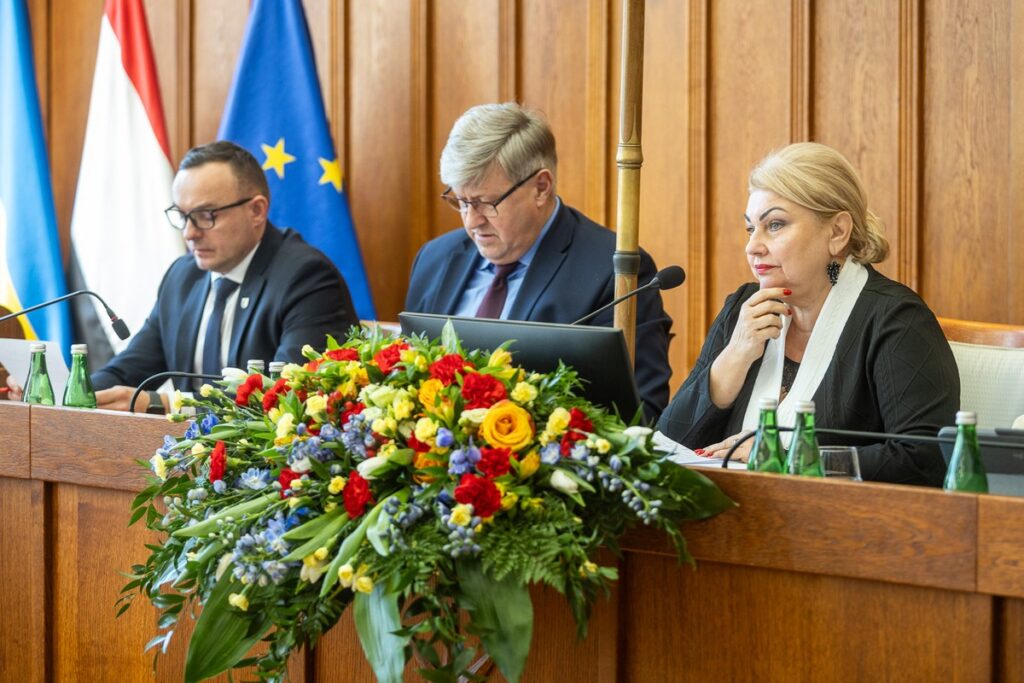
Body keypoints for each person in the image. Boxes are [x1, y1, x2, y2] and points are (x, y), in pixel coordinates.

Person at [657, 142, 959, 486]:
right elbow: (669, 443)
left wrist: (788, 456)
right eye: (750, 228)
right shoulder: (744, 308)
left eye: (774, 225)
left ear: (837, 232)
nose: (752, 245)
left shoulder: (896, 320)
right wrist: (735, 355)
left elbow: (927, 459)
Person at [405, 102, 672, 420]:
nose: (472, 221)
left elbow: (641, 412)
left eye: (485, 203)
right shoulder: (435, 259)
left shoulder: (616, 271)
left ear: (541, 187)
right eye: (461, 202)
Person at [92, 141, 358, 412]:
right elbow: (126, 371)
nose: (189, 233)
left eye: (206, 215)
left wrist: (163, 404)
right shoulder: (181, 278)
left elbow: (288, 397)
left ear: (256, 210)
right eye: (182, 216)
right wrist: (70, 393)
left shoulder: (307, 278)